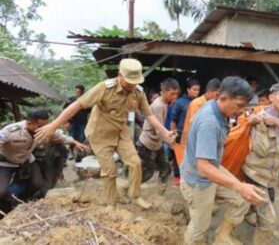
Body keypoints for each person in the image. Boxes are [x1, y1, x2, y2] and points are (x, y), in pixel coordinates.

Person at [35, 58, 176, 209]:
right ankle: (111, 205)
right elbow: (78, 105)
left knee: (135, 163)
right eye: (129, 81)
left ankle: (135, 196)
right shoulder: (104, 88)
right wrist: (54, 124)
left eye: (135, 81)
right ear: (120, 75)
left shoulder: (137, 92)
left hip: (121, 133)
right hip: (100, 134)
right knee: (109, 171)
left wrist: (165, 132)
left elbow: (149, 115)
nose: (132, 85)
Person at [180, 76, 267, 245]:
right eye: (240, 106)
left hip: (211, 168)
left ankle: (222, 237)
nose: (242, 111)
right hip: (199, 180)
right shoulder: (210, 122)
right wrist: (239, 185)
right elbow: (204, 168)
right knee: (199, 229)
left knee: (242, 199)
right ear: (223, 98)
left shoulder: (216, 108)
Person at [227, 82, 279, 245]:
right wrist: (252, 122)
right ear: (271, 97)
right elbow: (239, 132)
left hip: (271, 176)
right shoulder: (256, 113)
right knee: (268, 221)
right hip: (253, 174)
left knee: (249, 205)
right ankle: (228, 235)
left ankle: (239, 222)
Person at [0, 109, 85, 213]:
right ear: (29, 123)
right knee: (2, 192)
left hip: (27, 160)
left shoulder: (50, 135)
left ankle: (23, 202)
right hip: (7, 162)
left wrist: (75, 143)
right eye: (40, 127)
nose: (45, 130)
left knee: (37, 184)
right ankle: (11, 205)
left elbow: (61, 139)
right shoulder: (10, 131)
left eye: (46, 126)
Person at [137, 78, 180, 194]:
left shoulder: (165, 104)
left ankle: (161, 195)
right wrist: (171, 142)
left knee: (165, 169)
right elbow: (158, 130)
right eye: (172, 93)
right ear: (164, 92)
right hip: (147, 144)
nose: (175, 96)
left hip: (157, 144)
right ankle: (130, 189)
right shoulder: (158, 106)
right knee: (146, 174)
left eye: (176, 94)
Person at [171, 78, 200, 184]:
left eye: (198, 90)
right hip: (180, 132)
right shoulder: (180, 102)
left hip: (194, 134)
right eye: (194, 89)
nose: (196, 92)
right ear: (188, 90)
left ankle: (189, 176)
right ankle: (177, 175)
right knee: (178, 155)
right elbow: (173, 120)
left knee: (192, 155)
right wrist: (172, 133)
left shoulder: (199, 102)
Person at [180, 78, 221, 146]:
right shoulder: (197, 103)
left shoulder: (213, 104)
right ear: (209, 91)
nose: (217, 98)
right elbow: (192, 125)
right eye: (217, 95)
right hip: (191, 143)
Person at [64, 84, 90, 160]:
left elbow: (90, 112)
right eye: (77, 91)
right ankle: (71, 153)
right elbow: (65, 110)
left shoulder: (87, 100)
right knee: (71, 138)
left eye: (80, 92)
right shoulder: (71, 99)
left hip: (83, 123)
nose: (78, 93)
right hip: (72, 123)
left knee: (82, 138)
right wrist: (67, 122)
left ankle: (79, 153)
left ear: (83, 92)